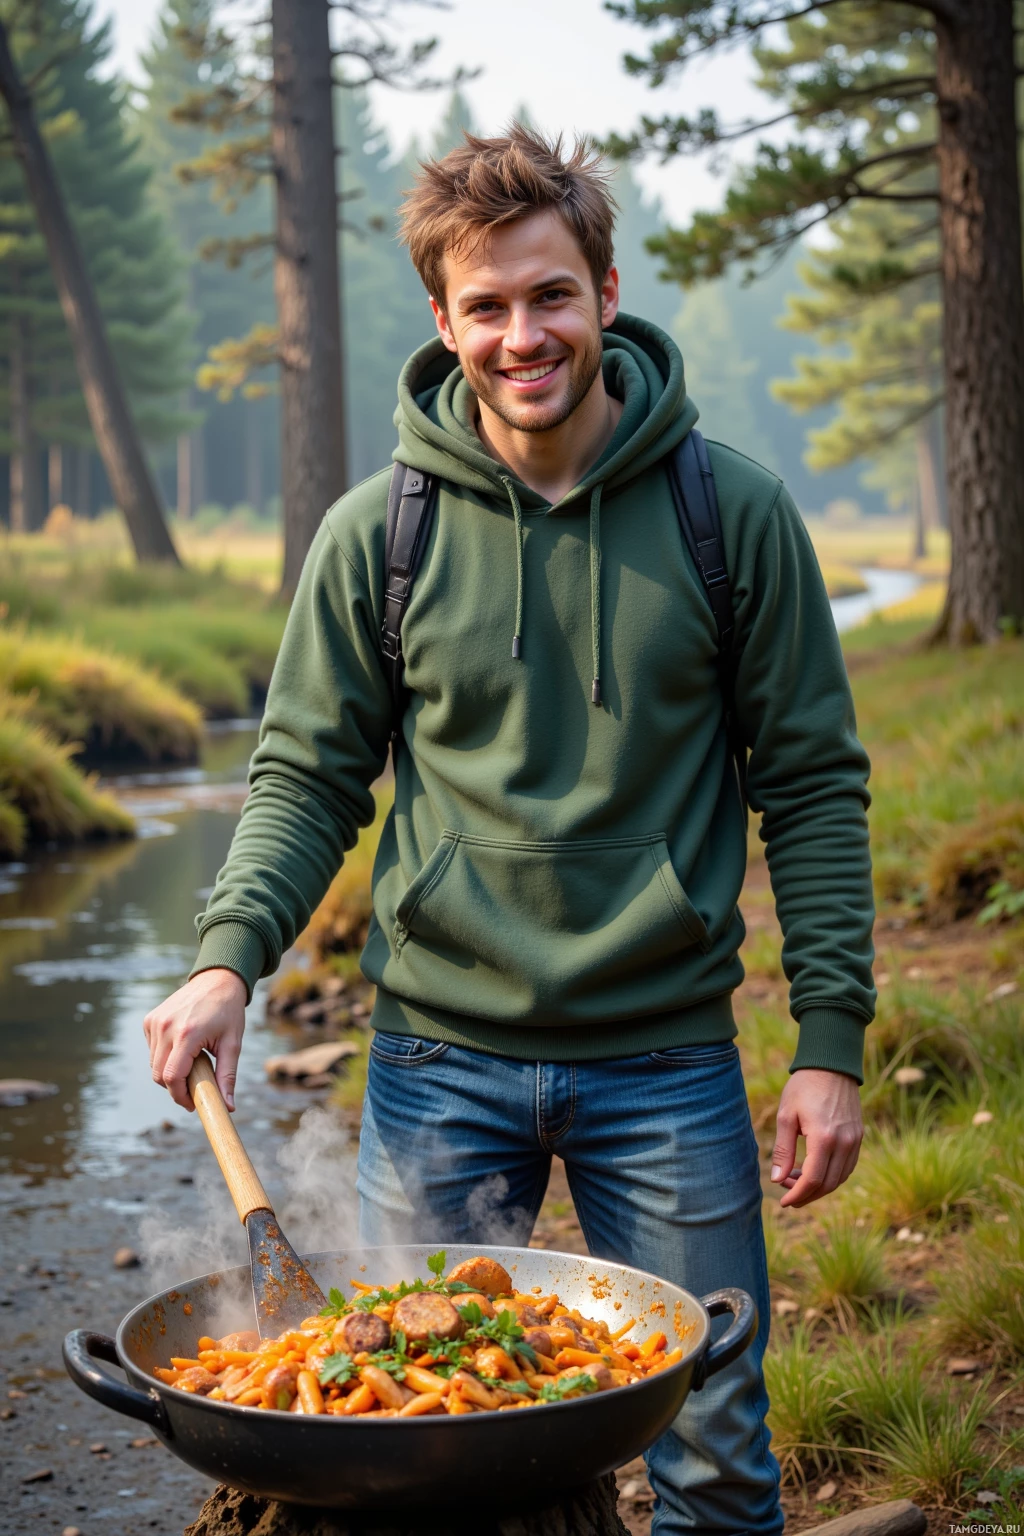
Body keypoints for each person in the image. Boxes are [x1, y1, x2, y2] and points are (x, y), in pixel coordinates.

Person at [145, 126, 875, 1535]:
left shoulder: (737, 515)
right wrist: (229, 958)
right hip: (438, 1062)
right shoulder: (382, 533)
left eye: (550, 296)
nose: (521, 335)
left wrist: (830, 1043)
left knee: (715, 1449)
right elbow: (307, 776)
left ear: (606, 291)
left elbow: (815, 788)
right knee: (412, 1446)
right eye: (487, 306)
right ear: (443, 321)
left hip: (666, 1059)